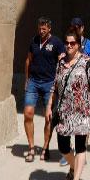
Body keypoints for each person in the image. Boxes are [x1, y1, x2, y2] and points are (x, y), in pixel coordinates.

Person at [44, 27, 90, 180]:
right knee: (63, 146)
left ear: (78, 45)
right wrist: (48, 106)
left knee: (81, 145)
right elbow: (54, 86)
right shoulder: (60, 63)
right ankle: (75, 167)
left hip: (82, 110)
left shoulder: (87, 62)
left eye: (72, 43)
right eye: (66, 43)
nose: (68, 46)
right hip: (64, 111)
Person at [22, 17, 63, 162]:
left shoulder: (57, 43)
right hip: (33, 81)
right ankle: (31, 148)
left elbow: (61, 64)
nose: (41, 30)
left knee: (49, 117)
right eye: (39, 28)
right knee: (28, 113)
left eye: (44, 28)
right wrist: (27, 80)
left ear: (49, 28)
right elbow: (28, 60)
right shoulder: (34, 41)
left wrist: (58, 84)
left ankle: (45, 148)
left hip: (49, 83)